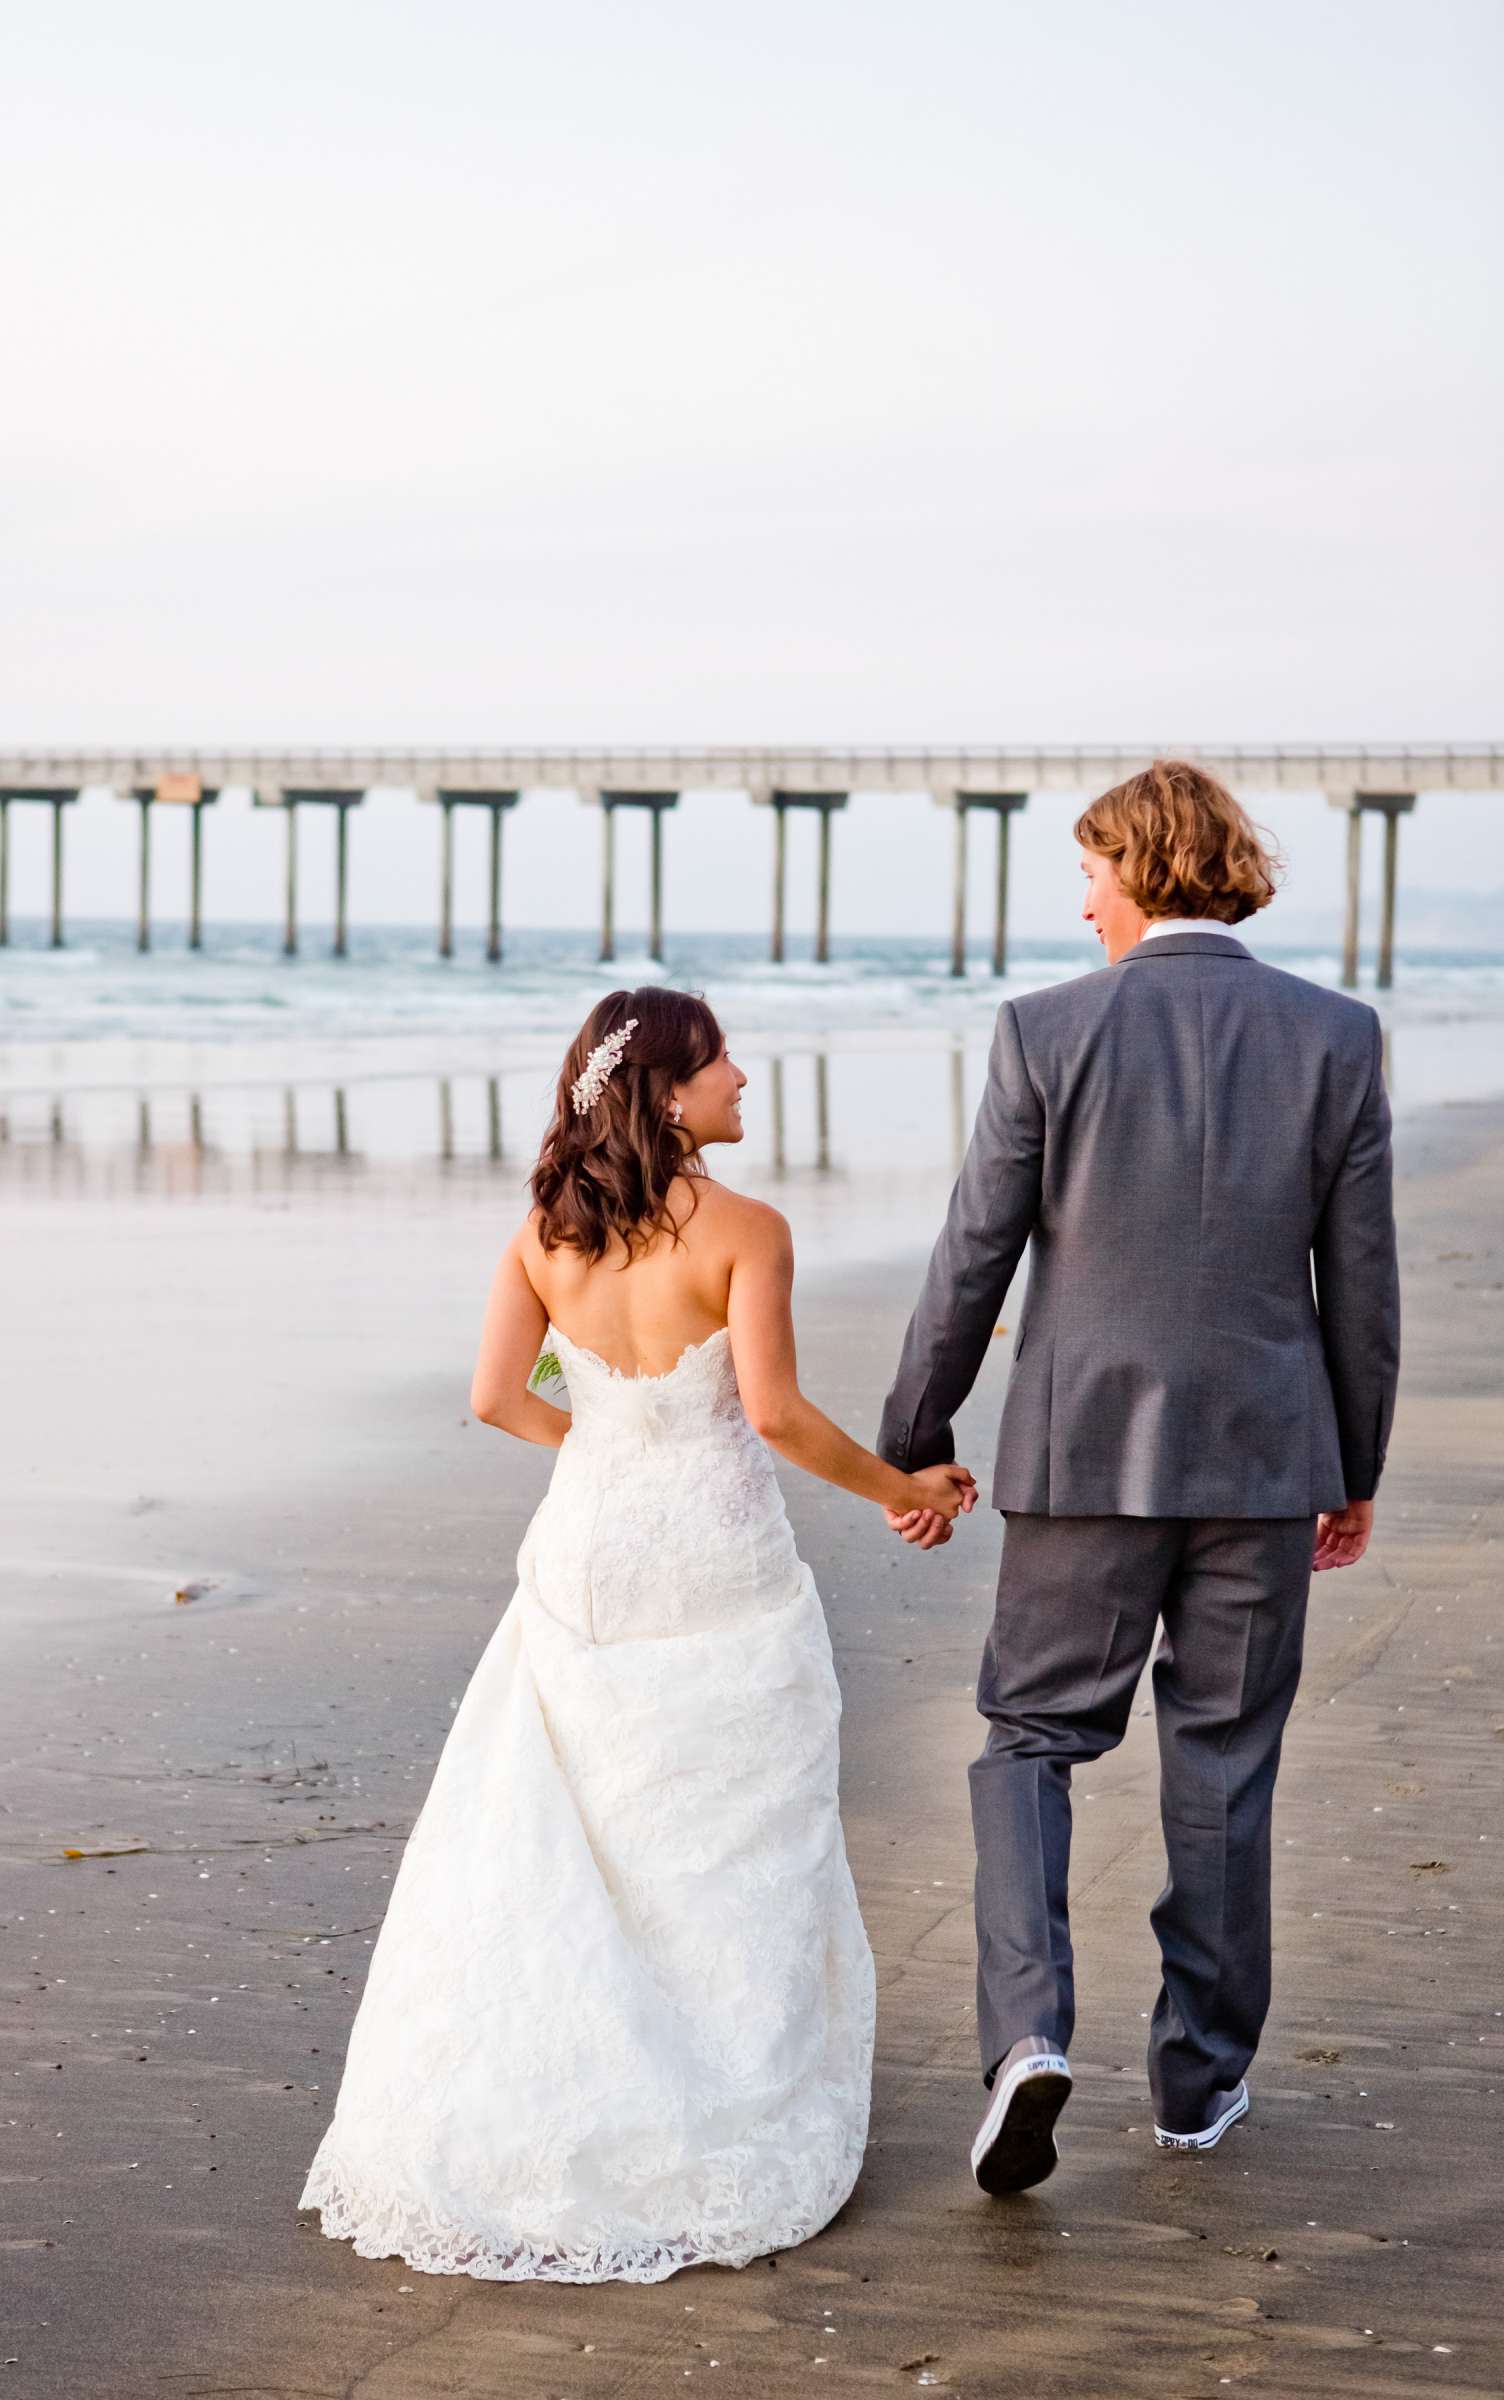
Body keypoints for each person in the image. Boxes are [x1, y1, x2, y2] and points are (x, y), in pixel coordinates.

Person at [299, 986, 974, 2281]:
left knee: (587, 1836)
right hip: (716, 1564)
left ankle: (562, 2103)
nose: (743, 1077)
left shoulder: (544, 1235)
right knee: (731, 1834)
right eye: (723, 1060)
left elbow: (500, 1398)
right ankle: (717, 2103)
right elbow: (772, 1417)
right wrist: (906, 1490)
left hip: (585, 1556)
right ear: (668, 1089)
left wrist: (612, 1446)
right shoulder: (750, 1233)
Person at [877, 758, 1399, 2196]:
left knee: (1030, 1740)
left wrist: (915, 1430)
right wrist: (1353, 1460)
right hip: (1262, 1459)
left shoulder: (1047, 1032)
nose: (1083, 896)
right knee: (1224, 1761)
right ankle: (1197, 2084)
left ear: (1145, 870)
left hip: (1083, 1452)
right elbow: (1359, 1281)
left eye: (1093, 867)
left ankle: (1030, 2032)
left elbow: (974, 1252)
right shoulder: (1337, 1036)